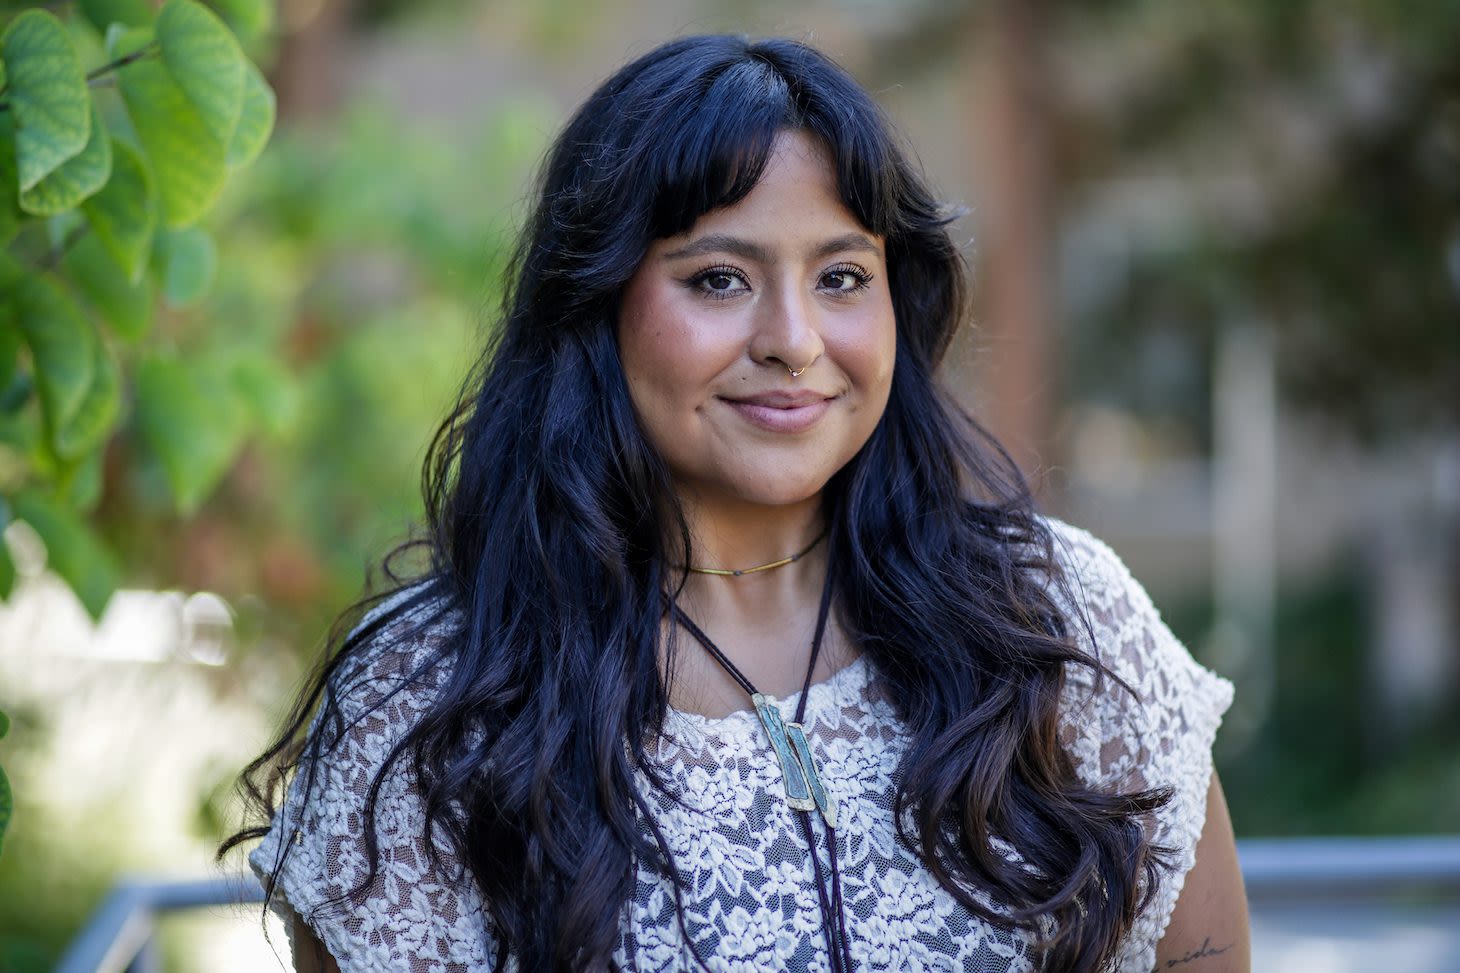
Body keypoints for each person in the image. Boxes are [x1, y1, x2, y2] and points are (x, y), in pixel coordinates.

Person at [224, 34, 1249, 973]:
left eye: (842, 276)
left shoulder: (1058, 618)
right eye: (718, 280)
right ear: (597, 306)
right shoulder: (428, 695)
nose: (793, 339)